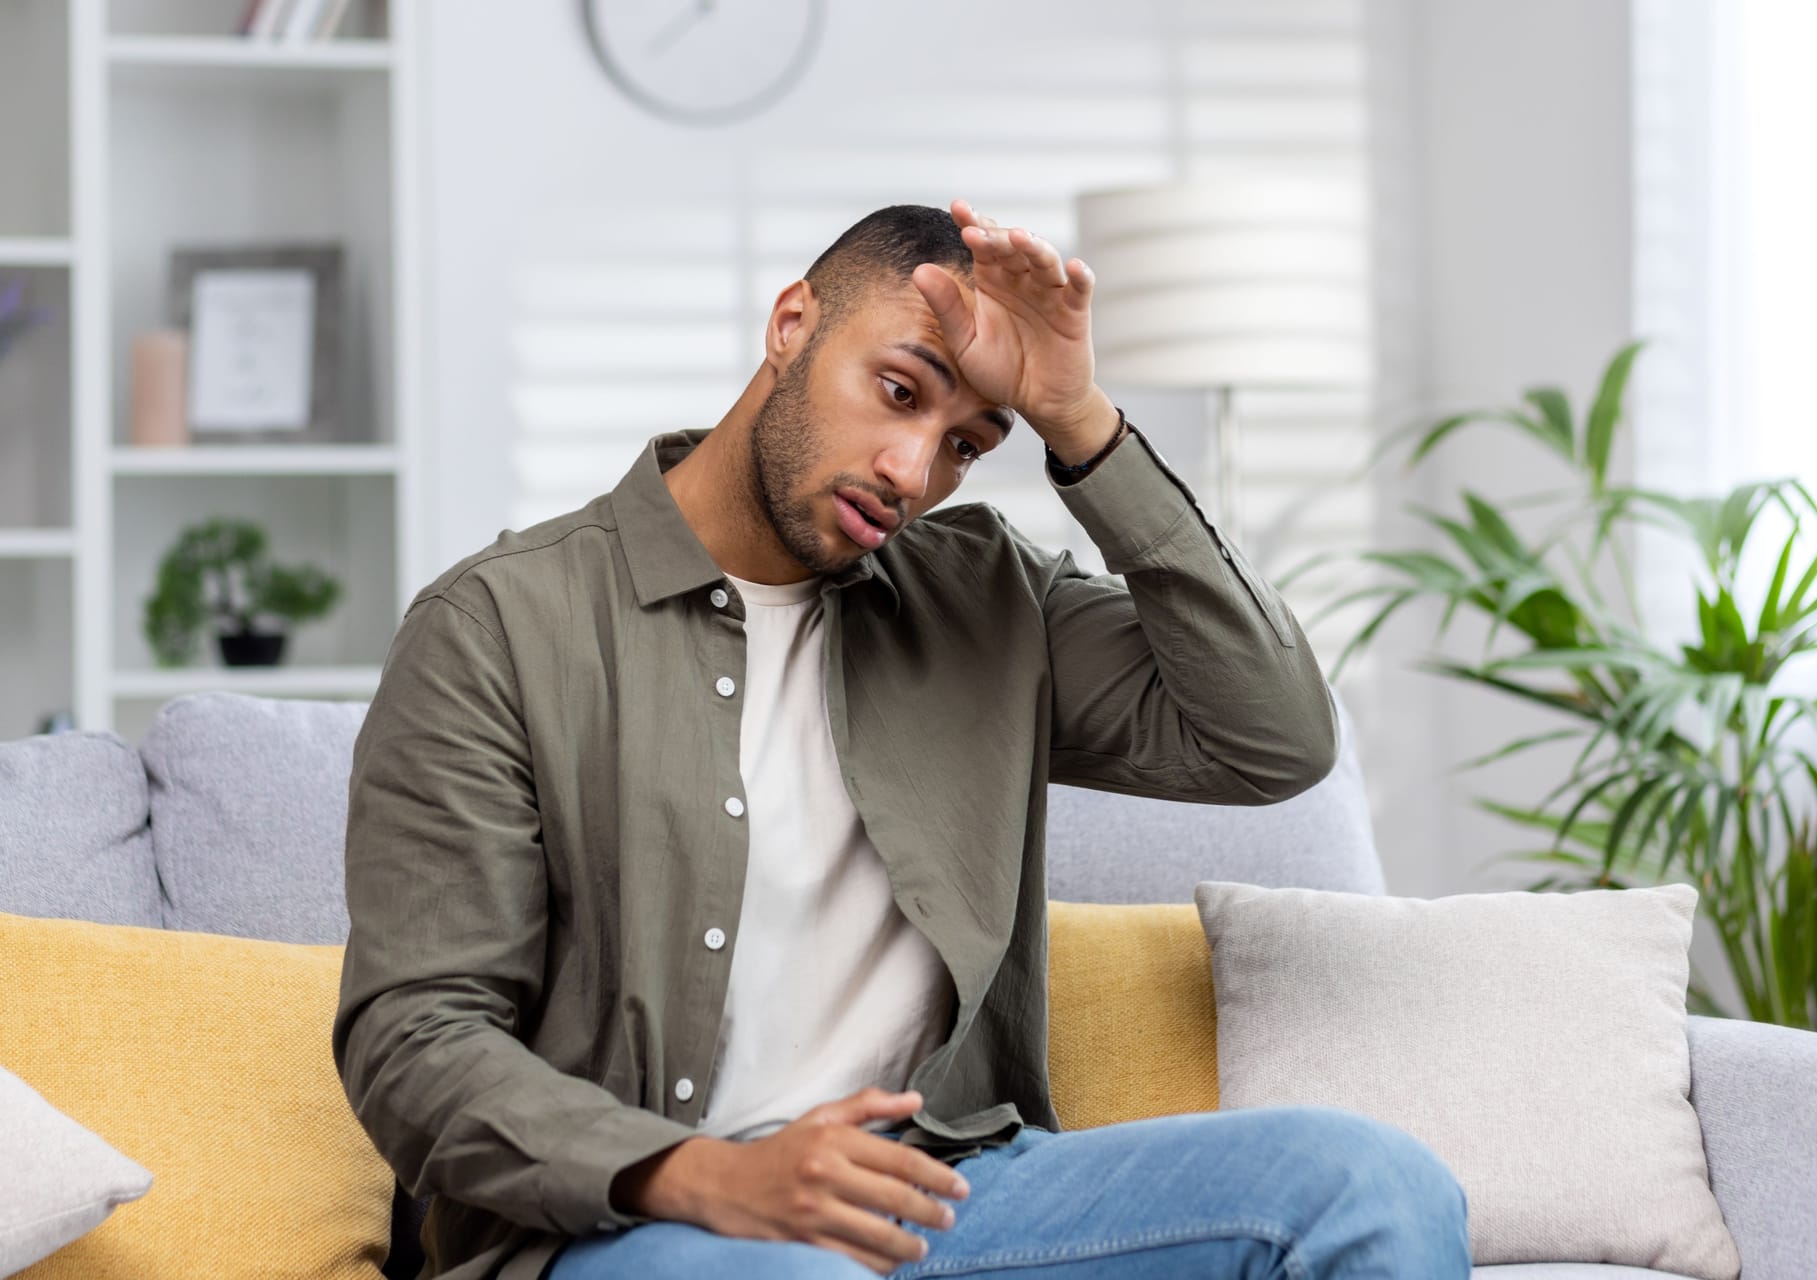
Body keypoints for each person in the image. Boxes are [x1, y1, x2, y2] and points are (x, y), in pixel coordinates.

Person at [333, 198, 1471, 1279]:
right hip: (639, 1228)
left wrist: (1083, 422)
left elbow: (1271, 738)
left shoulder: (988, 599)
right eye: (897, 389)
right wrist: (710, 1177)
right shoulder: (497, 625)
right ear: (792, 324)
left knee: (1370, 1181)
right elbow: (416, 1035)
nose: (912, 470)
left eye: (969, 442)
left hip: (953, 1198)